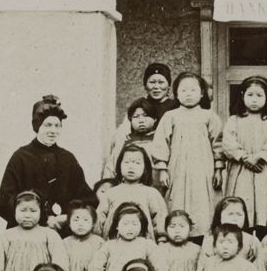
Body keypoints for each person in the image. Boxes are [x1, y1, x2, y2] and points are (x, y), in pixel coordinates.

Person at [0, 95, 93, 233]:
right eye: (48, 125)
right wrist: (41, 218)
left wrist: (68, 216)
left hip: (63, 232)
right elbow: (4, 201)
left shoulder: (68, 158)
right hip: (28, 232)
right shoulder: (21, 157)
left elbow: (87, 199)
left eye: (57, 126)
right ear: (37, 126)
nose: (53, 130)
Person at [152, 72, 223, 238]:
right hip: (177, 169)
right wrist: (162, 168)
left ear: (202, 93)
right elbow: (161, 143)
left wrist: (219, 168)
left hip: (203, 168)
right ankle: (177, 233)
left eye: (193, 90)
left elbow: (219, 143)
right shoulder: (170, 116)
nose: (188, 94)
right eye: (183, 90)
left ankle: (202, 235)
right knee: (176, 197)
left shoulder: (209, 116)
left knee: (203, 201)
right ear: (176, 94)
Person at [222, 75, 267, 230]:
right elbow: (228, 142)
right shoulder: (234, 120)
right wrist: (244, 157)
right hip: (241, 170)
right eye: (250, 95)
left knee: (266, 206)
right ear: (242, 96)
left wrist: (260, 156)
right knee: (242, 203)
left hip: (265, 169)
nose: (254, 100)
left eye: (259, 95)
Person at [87, 202, 170, 271]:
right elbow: (96, 269)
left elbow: (159, 265)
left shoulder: (147, 245)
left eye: (134, 224)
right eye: (125, 224)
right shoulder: (109, 245)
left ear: (141, 226)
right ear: (117, 226)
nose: (130, 228)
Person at [0, 190, 70, 271]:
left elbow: (60, 260)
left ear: (41, 212)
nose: (27, 215)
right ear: (14, 212)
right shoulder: (7, 236)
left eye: (33, 211)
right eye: (22, 210)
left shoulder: (49, 234)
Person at [95, 142, 168, 238]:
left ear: (145, 168)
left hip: (143, 246)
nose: (131, 166)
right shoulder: (111, 193)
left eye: (137, 163)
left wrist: (162, 239)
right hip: (114, 245)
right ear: (119, 166)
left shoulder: (151, 193)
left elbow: (160, 220)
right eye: (126, 162)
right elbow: (99, 220)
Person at [101, 97, 158, 181]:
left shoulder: (159, 139)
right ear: (130, 120)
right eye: (136, 116)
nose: (141, 120)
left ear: (155, 119)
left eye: (145, 115)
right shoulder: (124, 140)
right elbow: (111, 167)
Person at [62, 201, 104, 271]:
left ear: (93, 223)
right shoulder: (65, 243)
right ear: (69, 223)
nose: (80, 224)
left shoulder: (99, 243)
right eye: (76, 220)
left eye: (86, 220)